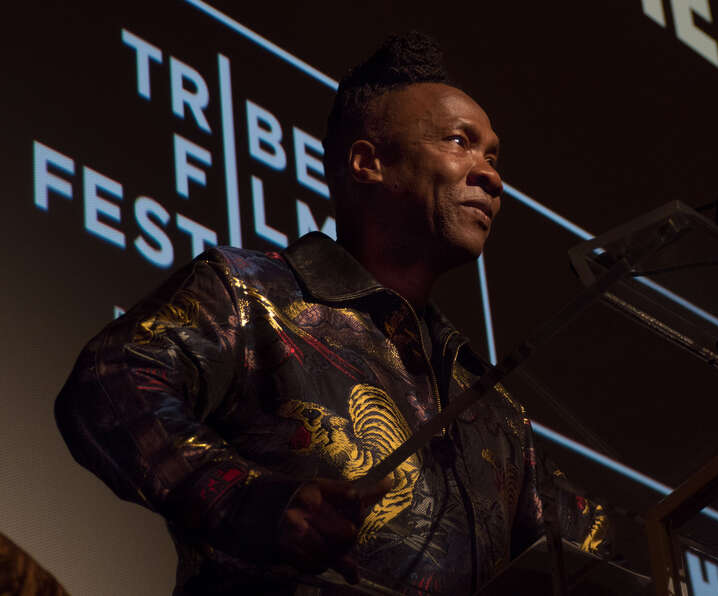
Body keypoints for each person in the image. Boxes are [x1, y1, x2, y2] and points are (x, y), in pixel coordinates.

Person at [55, 32, 609, 595]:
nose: (490, 175)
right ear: (368, 162)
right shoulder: (251, 293)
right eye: (459, 142)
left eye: (492, 156)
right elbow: (111, 380)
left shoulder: (494, 406)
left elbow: (590, 560)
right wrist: (249, 499)